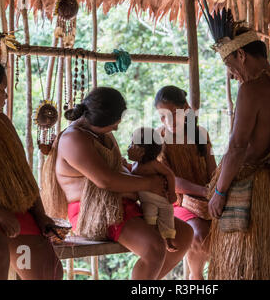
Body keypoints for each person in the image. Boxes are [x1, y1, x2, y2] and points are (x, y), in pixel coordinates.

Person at [198, 4, 270, 279]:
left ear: (241, 54)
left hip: (250, 192)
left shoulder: (252, 88)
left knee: (244, 270)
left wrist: (220, 193)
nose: (232, 74)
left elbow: (237, 147)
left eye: (231, 66)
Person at [41, 87, 193, 280]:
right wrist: (148, 184)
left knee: (184, 234)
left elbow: (118, 168)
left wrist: (146, 173)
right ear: (101, 120)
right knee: (154, 247)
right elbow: (105, 180)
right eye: (114, 124)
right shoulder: (73, 139)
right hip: (91, 211)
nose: (117, 128)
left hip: (119, 205)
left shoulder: (100, 132)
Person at [0, 56, 63, 280]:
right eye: (2, 90)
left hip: (10, 207)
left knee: (49, 270)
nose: (6, 96)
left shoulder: (1, 123)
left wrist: (40, 215)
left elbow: (21, 174)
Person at [154, 86, 217, 280]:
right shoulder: (157, 139)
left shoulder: (201, 134)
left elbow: (212, 170)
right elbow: (169, 181)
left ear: (186, 109)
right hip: (176, 202)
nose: (168, 121)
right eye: (163, 116)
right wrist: (203, 191)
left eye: (173, 114)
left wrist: (215, 192)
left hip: (206, 199)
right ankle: (196, 278)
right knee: (199, 234)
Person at [128, 127, 177, 252]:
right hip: (147, 200)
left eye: (133, 144)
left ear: (143, 150)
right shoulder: (134, 164)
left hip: (162, 199)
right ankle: (153, 240)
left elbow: (169, 175)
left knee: (167, 217)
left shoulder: (153, 164)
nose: (130, 146)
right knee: (149, 219)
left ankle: (168, 241)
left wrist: (172, 192)